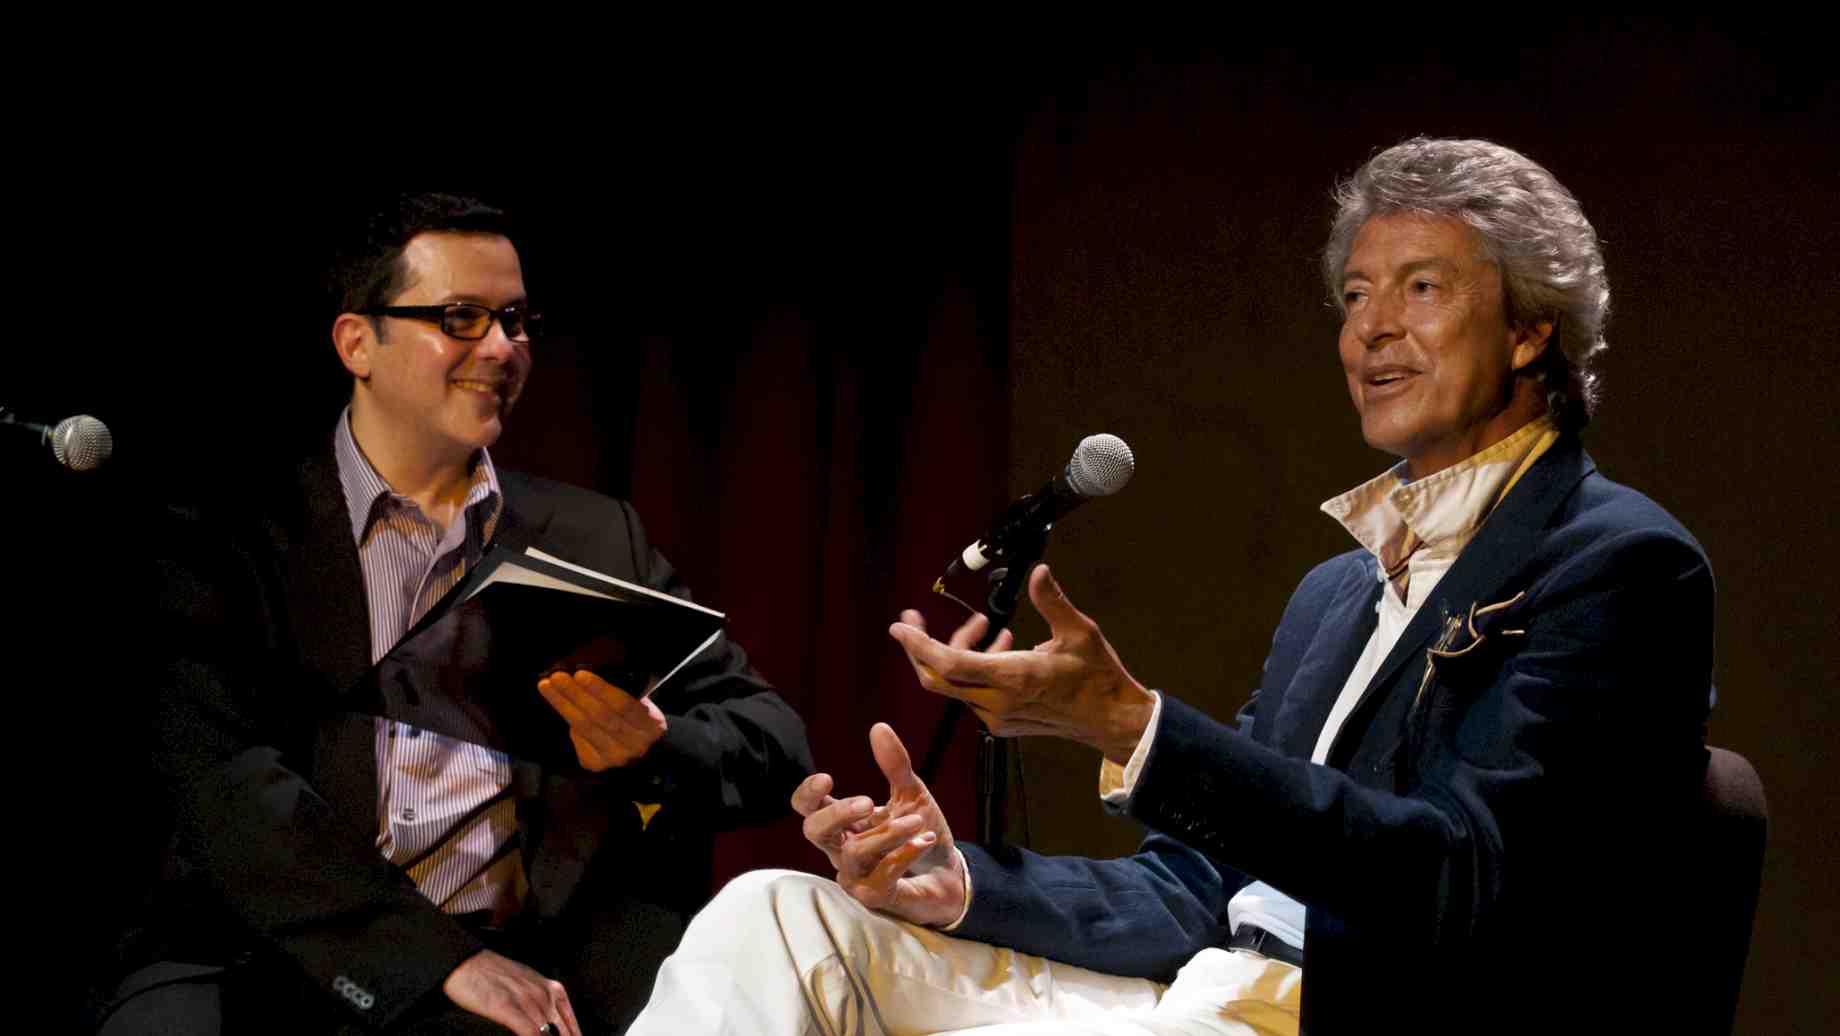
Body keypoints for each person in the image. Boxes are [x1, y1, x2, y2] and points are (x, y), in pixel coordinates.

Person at [625, 138, 1717, 1035]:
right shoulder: (1334, 595)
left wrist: (1134, 725)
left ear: (1532, 327)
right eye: (1353, 294)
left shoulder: (1615, 564)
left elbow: (1463, 880)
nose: (1367, 329)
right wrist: (956, 884)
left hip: (1328, 1015)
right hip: (1193, 989)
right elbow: (1198, 883)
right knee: (768, 915)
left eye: (1420, 288)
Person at [92, 194, 814, 1035]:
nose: (503, 348)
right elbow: (227, 789)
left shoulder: (590, 536)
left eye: (514, 319)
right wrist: (436, 959)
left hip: (530, 961)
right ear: (357, 342)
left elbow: (774, 739)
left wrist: (654, 743)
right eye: (461, 318)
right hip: (286, 950)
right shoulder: (237, 538)